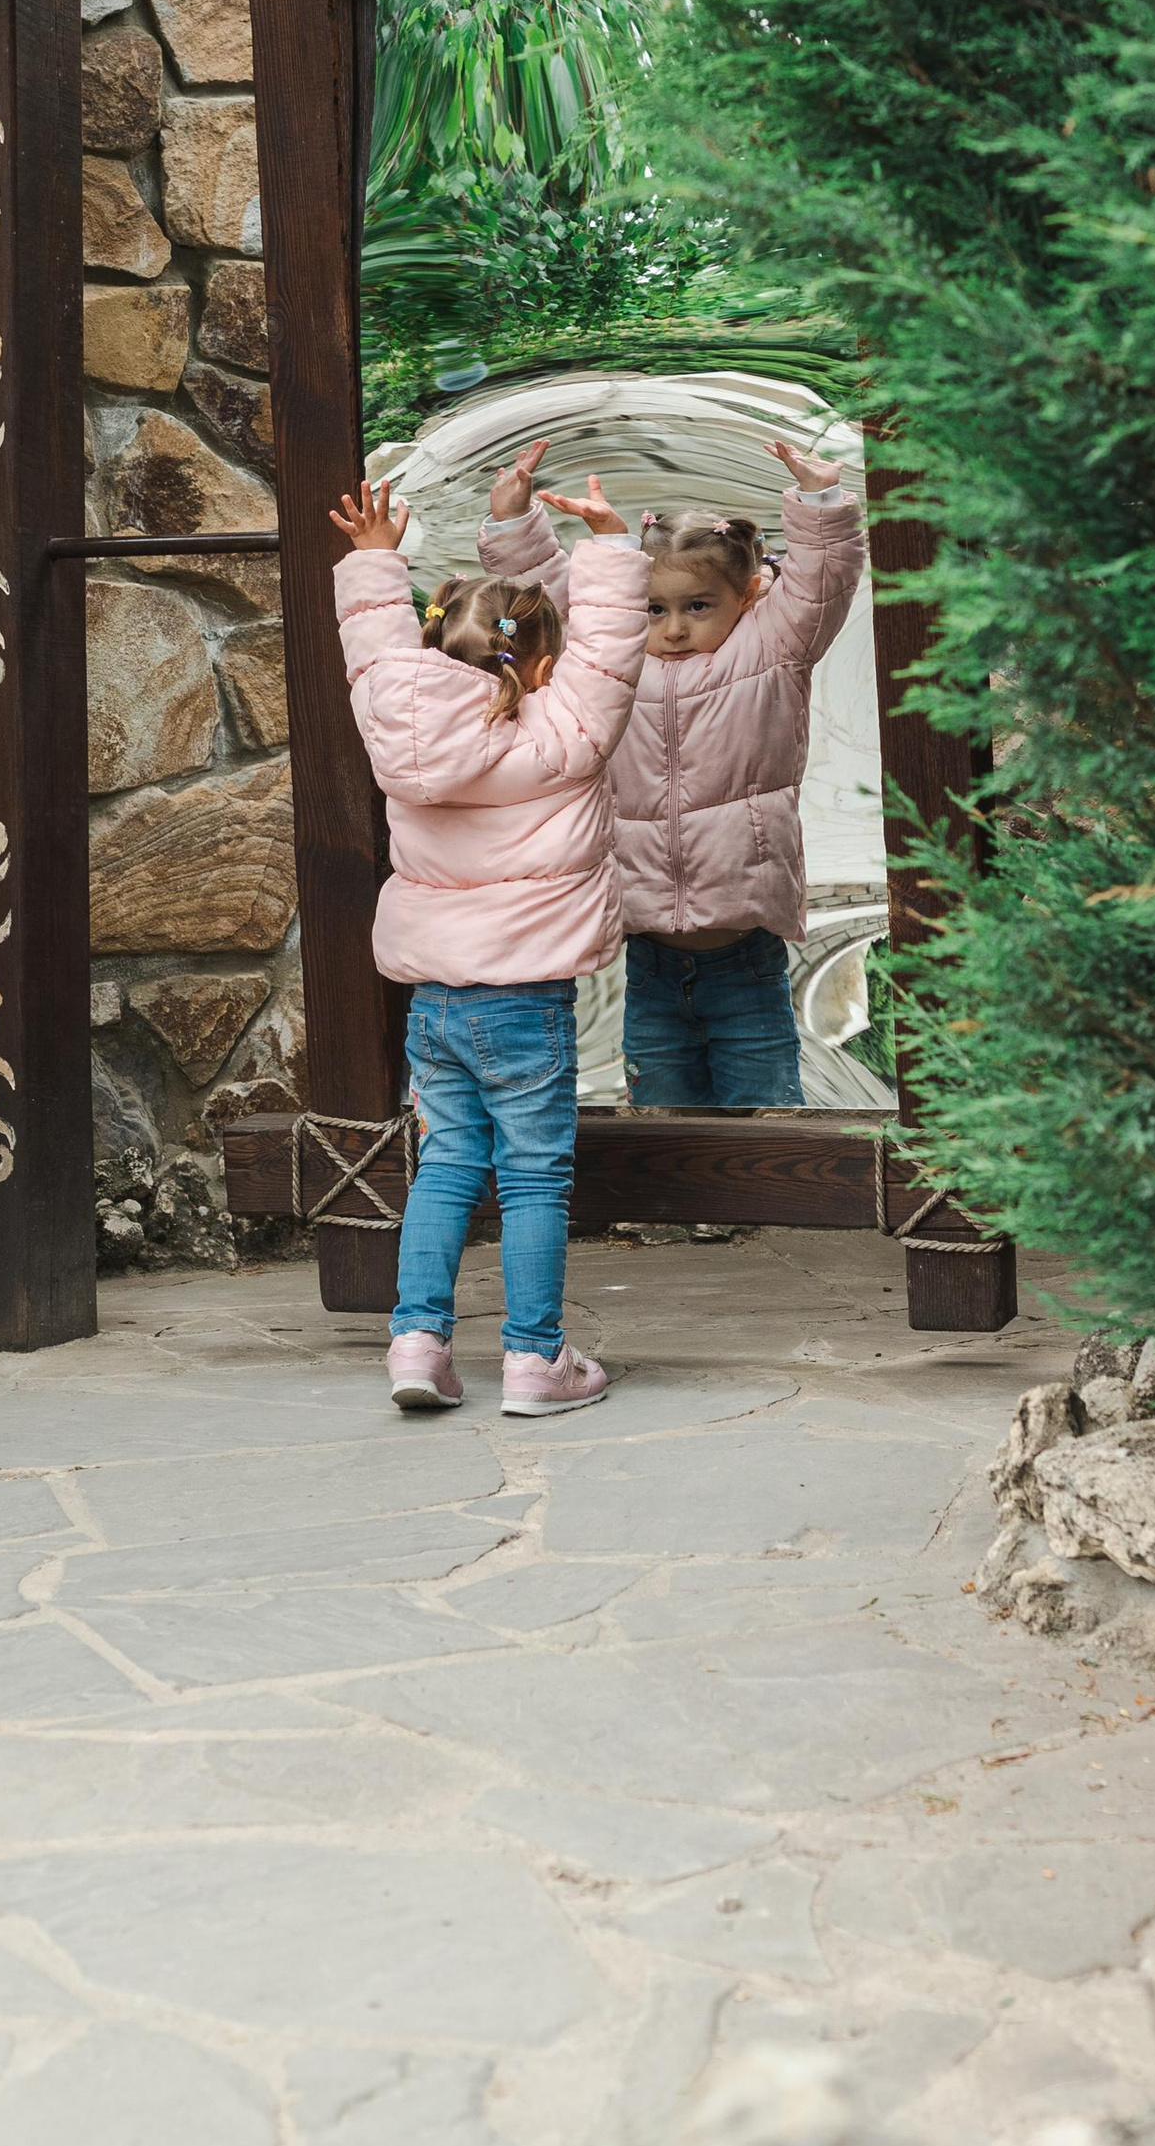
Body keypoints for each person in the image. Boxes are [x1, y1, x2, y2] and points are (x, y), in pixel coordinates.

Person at [329, 466, 647, 1417]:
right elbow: (611, 653)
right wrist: (611, 545)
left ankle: (417, 1344)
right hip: (526, 999)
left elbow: (374, 652)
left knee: (449, 1163)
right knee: (536, 1173)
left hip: (435, 1002)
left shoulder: (395, 714)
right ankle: (533, 1360)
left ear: (433, 647)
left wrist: (374, 561)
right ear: (541, 668)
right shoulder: (566, 728)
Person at [478, 423, 865, 1109]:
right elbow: (556, 597)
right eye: (653, 608)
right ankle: (680, 1222)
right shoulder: (610, 656)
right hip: (649, 951)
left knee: (764, 1110)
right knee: (661, 1110)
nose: (674, 628)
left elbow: (823, 582)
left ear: (745, 599)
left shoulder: (773, 646)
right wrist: (513, 520)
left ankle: (766, 1213)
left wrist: (821, 498)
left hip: (745, 949)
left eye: (698, 607)